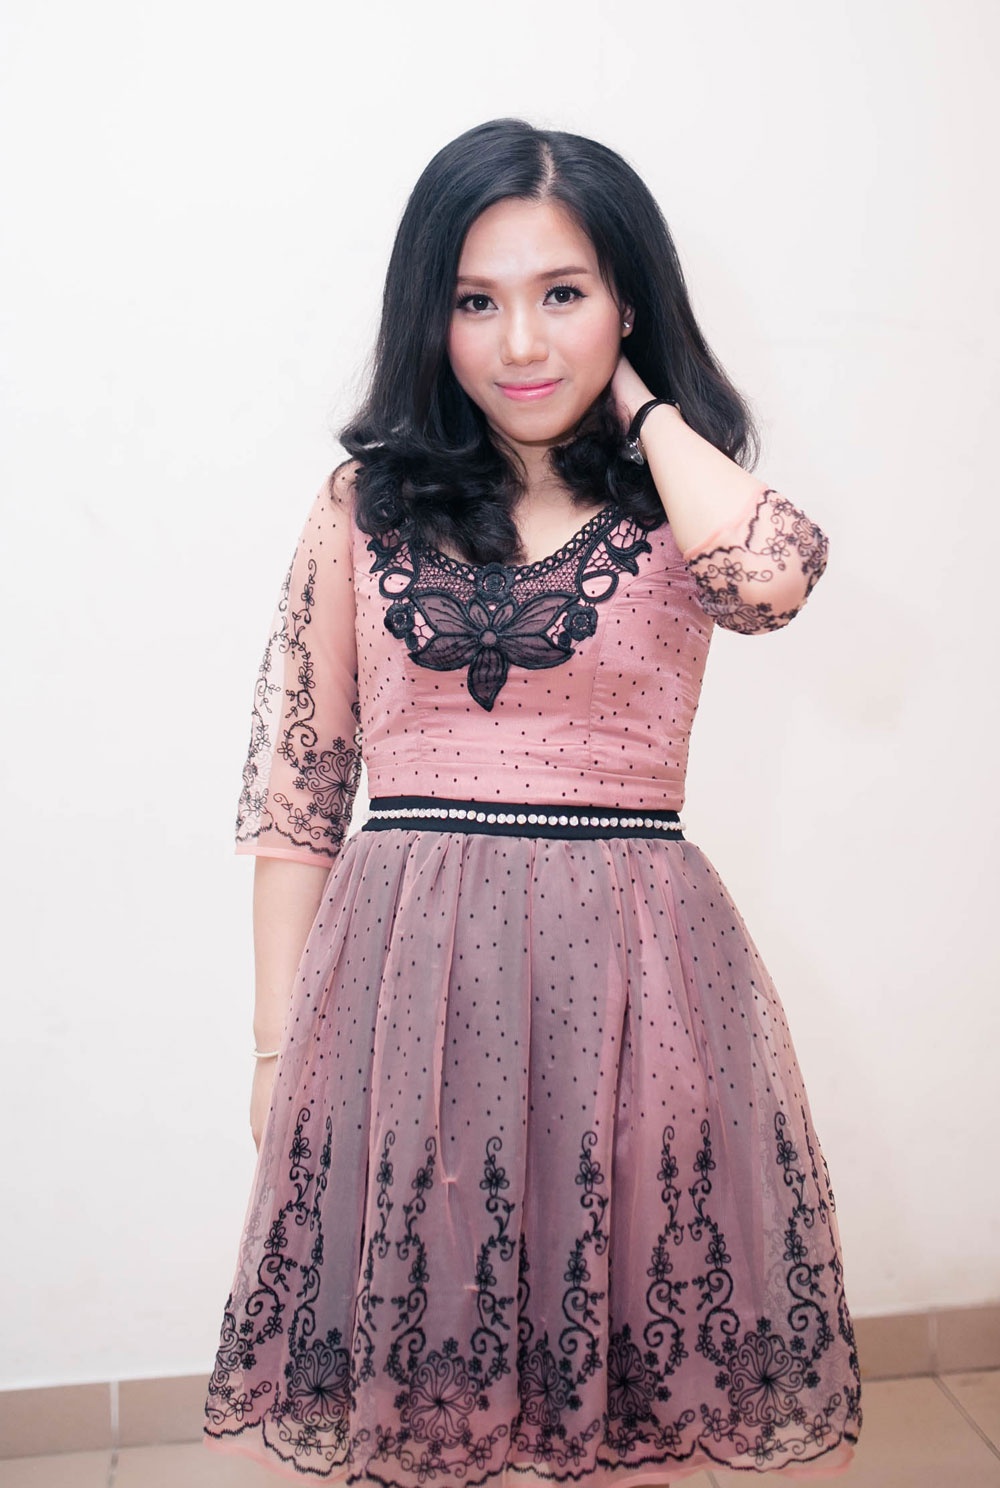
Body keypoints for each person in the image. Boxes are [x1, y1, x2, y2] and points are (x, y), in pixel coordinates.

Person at [203, 118, 862, 1486]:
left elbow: (774, 581)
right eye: (474, 301)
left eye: (562, 293)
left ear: (628, 303)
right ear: (427, 313)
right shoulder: (364, 505)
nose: (519, 343)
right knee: (425, 1358)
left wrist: (651, 412)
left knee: (626, 1360)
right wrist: (275, 1048)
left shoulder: (678, 511)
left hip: (632, 980)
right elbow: (301, 790)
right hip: (405, 982)